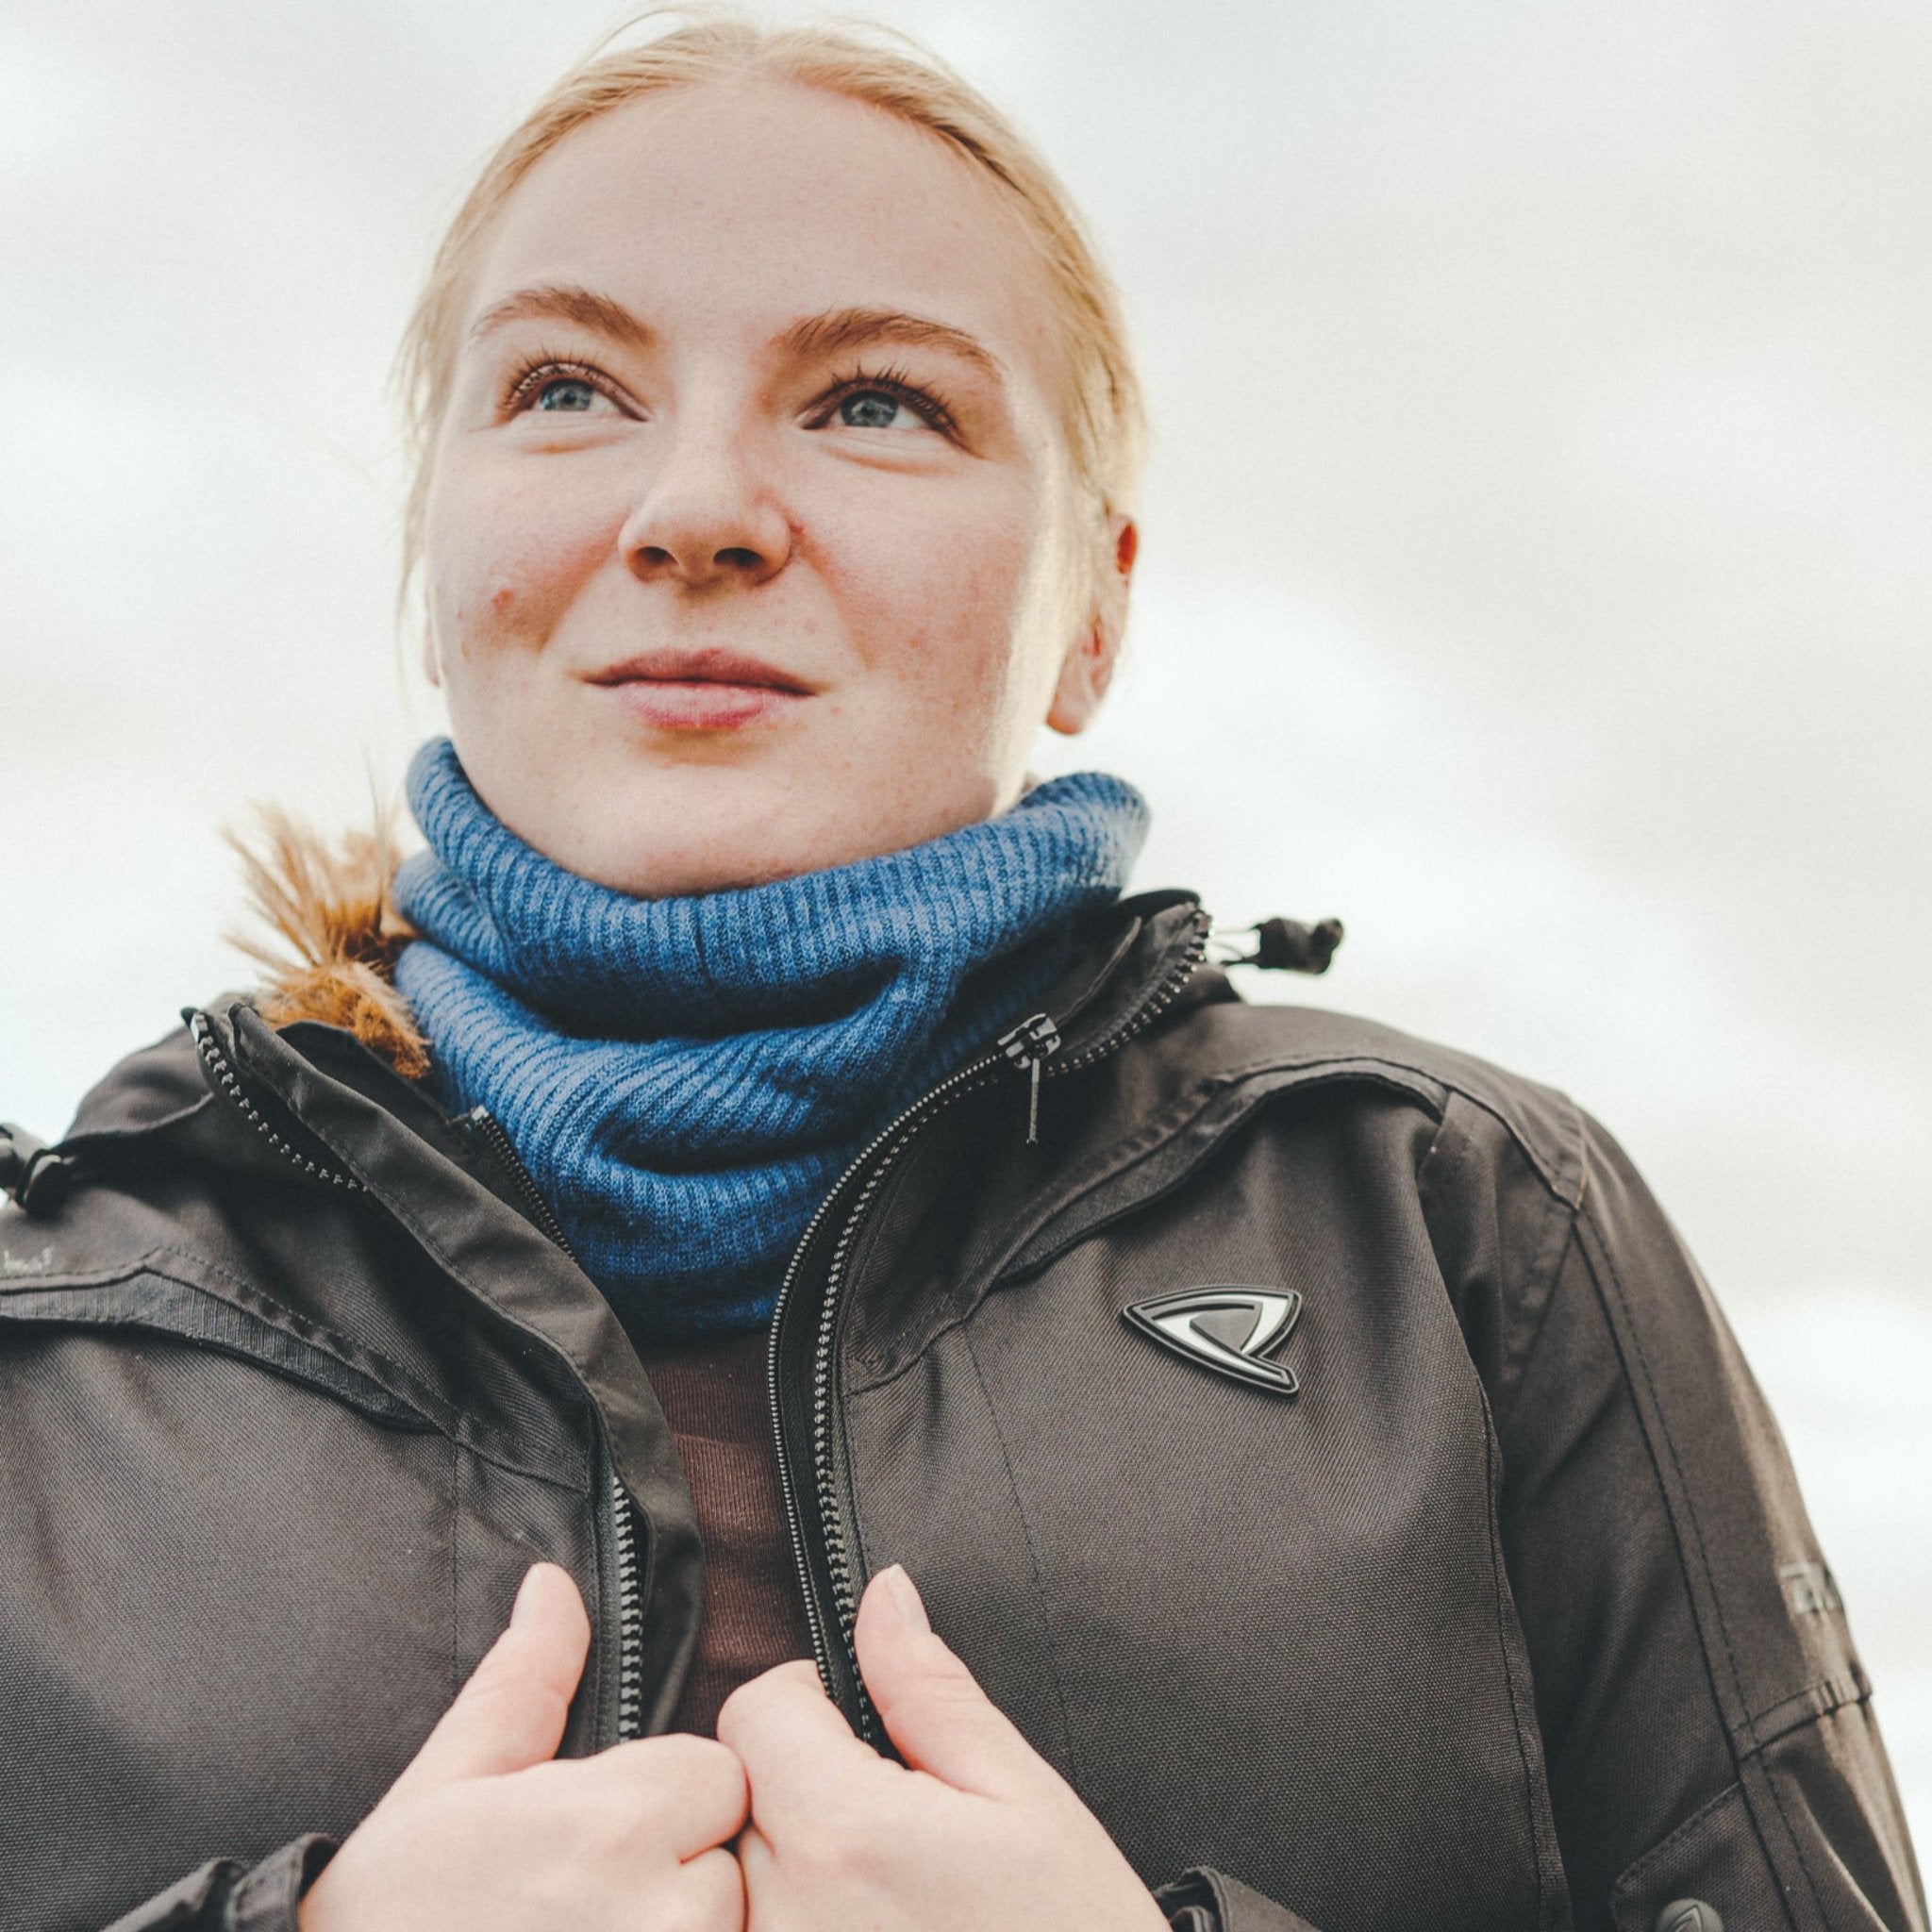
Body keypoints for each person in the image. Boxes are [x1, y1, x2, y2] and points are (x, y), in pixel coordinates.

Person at [0, 15, 1922, 1932]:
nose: (694, 511)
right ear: (435, 556)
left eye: (877, 405)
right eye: (569, 386)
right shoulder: (50, 1337)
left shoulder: (1465, 1226)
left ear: (1091, 609)